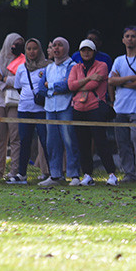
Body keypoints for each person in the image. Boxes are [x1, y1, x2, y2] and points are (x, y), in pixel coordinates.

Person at [69, 39, 119, 186]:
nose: (86, 53)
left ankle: (111, 174)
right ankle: (87, 174)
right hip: (78, 109)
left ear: (94, 52)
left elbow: (94, 84)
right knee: (83, 144)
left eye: (89, 50)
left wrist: (80, 85)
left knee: (101, 142)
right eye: (83, 50)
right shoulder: (75, 67)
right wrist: (89, 78)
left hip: (95, 108)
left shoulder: (102, 66)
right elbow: (70, 85)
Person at [37, 37, 80, 186]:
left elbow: (68, 85)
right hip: (50, 107)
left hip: (65, 107)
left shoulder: (72, 66)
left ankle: (74, 174)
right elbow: (41, 89)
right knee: (52, 142)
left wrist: (51, 86)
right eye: (54, 45)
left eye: (60, 45)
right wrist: (53, 89)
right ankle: (55, 174)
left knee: (69, 140)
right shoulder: (48, 68)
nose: (56, 48)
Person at [109, 26, 136, 183]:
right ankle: (129, 173)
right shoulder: (118, 60)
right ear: (123, 40)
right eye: (127, 36)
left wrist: (121, 82)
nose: (130, 38)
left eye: (133, 36)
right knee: (122, 142)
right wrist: (129, 78)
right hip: (120, 107)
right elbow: (110, 80)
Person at [13, 38, 50, 185]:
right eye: (28, 49)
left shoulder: (47, 66)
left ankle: (52, 173)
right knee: (24, 142)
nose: (31, 52)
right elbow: (18, 87)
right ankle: (21, 174)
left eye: (34, 48)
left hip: (41, 110)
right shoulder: (21, 68)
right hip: (24, 109)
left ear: (39, 50)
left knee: (46, 141)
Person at [0, 32, 24, 182]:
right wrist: (6, 84)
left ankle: (14, 172)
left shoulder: (22, 61)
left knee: (16, 138)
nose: (17, 47)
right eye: (15, 43)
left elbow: (21, 81)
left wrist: (2, 78)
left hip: (15, 102)